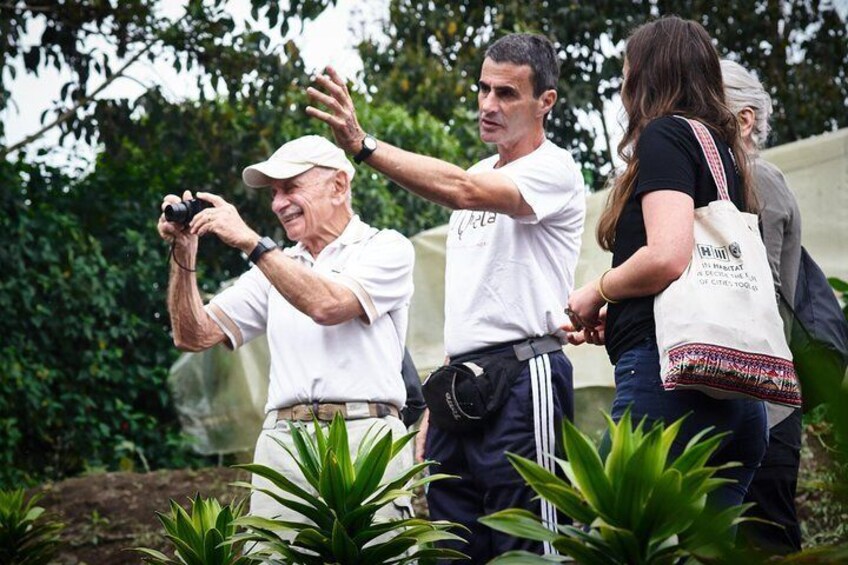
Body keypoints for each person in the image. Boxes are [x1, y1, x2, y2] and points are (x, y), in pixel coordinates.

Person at [306, 33, 585, 561]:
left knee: (527, 542)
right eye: (482, 90)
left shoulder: (556, 168)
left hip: (526, 374)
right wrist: (437, 401)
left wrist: (362, 145)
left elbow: (459, 189)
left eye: (506, 94)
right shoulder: (478, 173)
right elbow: (474, 298)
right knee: (455, 542)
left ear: (545, 101)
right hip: (462, 383)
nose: (487, 105)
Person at [565, 16, 767, 513]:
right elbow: (698, 265)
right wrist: (626, 315)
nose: (621, 87)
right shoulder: (723, 151)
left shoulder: (664, 135)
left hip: (671, 384)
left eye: (627, 72)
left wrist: (598, 290)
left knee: (611, 537)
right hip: (737, 393)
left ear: (647, 76)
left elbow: (668, 255)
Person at [157, 135, 416, 523]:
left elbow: (327, 306)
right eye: (274, 193)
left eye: (291, 187)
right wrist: (184, 250)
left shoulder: (384, 248)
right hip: (284, 444)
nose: (278, 203)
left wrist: (249, 241)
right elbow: (192, 335)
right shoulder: (273, 269)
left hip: (367, 438)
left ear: (339, 185)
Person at [722, 59, 804, 554]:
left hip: (766, 408)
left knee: (768, 542)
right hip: (739, 401)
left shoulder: (760, 179)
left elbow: (764, 296)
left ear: (745, 121)